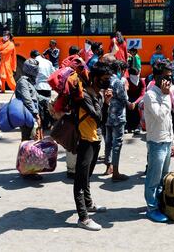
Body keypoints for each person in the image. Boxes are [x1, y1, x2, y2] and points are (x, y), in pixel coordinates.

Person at [74, 62, 113, 231]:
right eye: (105, 79)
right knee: (80, 179)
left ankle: (89, 204)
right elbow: (97, 116)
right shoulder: (85, 95)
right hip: (84, 140)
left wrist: (106, 102)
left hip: (95, 139)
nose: (107, 83)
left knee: (88, 175)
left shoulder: (97, 94)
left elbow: (101, 120)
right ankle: (83, 217)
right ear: (96, 78)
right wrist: (102, 101)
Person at [143, 59, 174, 223]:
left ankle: (159, 203)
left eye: (170, 77)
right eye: (166, 77)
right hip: (156, 143)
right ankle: (151, 208)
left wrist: (173, 141)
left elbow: (169, 119)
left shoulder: (166, 94)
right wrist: (164, 95)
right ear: (156, 77)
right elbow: (159, 115)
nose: (168, 81)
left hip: (166, 141)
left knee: (164, 178)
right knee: (153, 179)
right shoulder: (150, 95)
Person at [104, 59, 130, 181]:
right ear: (119, 69)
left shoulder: (107, 80)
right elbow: (124, 98)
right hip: (118, 116)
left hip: (108, 115)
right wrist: (130, 104)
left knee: (108, 142)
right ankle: (116, 173)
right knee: (117, 143)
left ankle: (108, 167)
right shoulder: (118, 82)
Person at [15, 58, 40, 141]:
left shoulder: (30, 81)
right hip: (27, 115)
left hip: (31, 114)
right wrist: (35, 113)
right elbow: (27, 99)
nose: (37, 71)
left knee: (32, 141)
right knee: (27, 141)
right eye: (35, 69)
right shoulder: (23, 82)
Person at [31, 50, 55, 130]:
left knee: (40, 107)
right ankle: (48, 124)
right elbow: (53, 73)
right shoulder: (48, 62)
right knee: (47, 106)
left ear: (33, 57)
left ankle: (42, 124)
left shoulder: (34, 62)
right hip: (48, 87)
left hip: (38, 87)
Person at [126, 67, 146, 134]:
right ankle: (127, 126)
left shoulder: (141, 81)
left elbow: (142, 94)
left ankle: (138, 126)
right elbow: (124, 94)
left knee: (140, 106)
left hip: (138, 100)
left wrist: (135, 102)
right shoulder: (126, 81)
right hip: (128, 99)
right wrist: (128, 102)